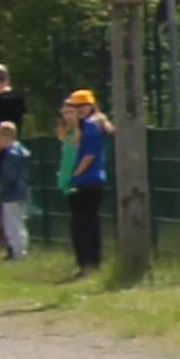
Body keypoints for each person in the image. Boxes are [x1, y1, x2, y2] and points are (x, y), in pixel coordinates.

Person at [61, 90, 112, 272]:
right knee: (87, 223)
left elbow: (89, 155)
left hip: (86, 181)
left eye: (83, 105)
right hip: (90, 180)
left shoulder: (90, 126)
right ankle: (89, 262)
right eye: (76, 106)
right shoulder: (88, 125)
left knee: (83, 224)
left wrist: (74, 175)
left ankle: (88, 263)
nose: (80, 109)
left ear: (91, 105)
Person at [0, 119, 36, 262]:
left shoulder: (12, 154)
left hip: (12, 194)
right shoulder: (19, 151)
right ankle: (18, 251)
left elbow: (9, 176)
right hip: (20, 192)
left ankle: (19, 253)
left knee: (13, 225)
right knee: (17, 223)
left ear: (6, 137)